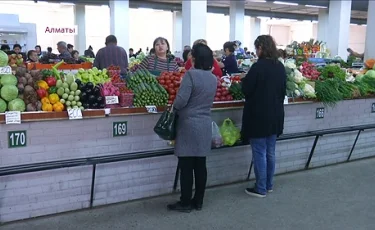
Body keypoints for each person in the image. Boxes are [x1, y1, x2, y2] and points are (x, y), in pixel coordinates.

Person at [167, 43, 217, 212]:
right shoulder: (213, 78)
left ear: (195, 58)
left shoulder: (191, 75)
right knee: (200, 165)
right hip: (204, 124)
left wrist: (173, 106)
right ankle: (199, 201)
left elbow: (181, 101)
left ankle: (185, 202)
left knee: (186, 165)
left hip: (188, 124)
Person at [240, 35, 286, 198]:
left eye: (257, 48)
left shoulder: (258, 67)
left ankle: (260, 188)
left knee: (259, 152)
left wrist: (243, 80)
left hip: (259, 116)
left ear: (260, 48)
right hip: (275, 115)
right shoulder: (280, 66)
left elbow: (246, 89)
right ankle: (268, 184)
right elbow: (283, 91)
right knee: (270, 152)